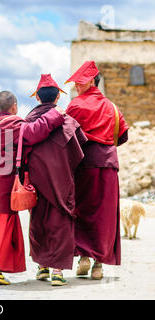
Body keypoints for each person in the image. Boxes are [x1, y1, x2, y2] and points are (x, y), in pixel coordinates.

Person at [0, 90, 65, 285]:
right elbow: (36, 131)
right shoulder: (15, 125)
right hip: (1, 185)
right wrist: (56, 114)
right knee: (4, 226)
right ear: (14, 107)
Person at [65, 61, 129, 280]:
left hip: (83, 164)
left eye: (79, 82)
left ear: (92, 81)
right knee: (105, 214)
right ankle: (98, 264)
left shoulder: (76, 105)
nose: (76, 87)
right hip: (109, 165)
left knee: (82, 209)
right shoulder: (112, 107)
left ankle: (83, 257)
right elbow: (122, 135)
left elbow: (66, 136)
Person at [25, 74, 88, 286]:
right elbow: (80, 152)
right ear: (57, 98)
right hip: (62, 181)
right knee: (60, 222)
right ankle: (57, 271)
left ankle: (42, 267)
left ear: (37, 98)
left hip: (37, 181)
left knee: (38, 221)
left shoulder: (29, 121)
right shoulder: (68, 121)